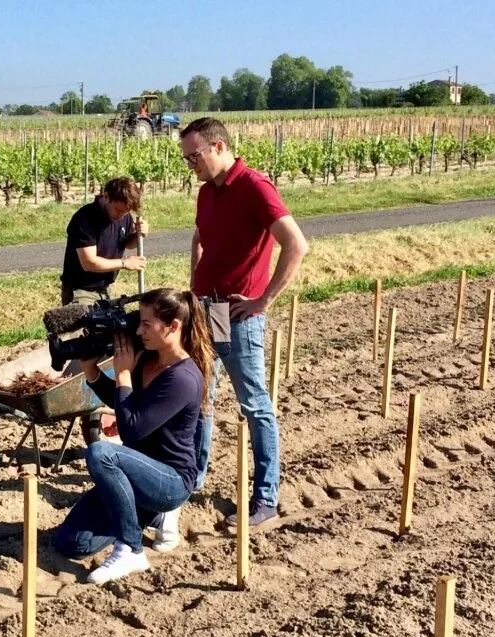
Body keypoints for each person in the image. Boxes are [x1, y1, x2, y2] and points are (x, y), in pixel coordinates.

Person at [180, 117, 308, 529]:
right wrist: (194, 286)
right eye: (185, 158)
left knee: (254, 404)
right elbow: (200, 238)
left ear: (218, 147)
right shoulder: (206, 193)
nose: (190, 164)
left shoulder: (255, 187)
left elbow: (296, 243)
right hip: (206, 311)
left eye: (194, 155)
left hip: (238, 316)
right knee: (201, 398)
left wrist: (263, 299)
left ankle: (266, 496)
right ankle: (193, 479)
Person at [54, 288, 213, 585]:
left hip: (170, 480)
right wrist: (91, 370)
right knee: (71, 544)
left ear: (173, 327)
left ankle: (130, 548)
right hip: (136, 473)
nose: (138, 331)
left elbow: (131, 428)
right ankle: (150, 517)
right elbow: (122, 404)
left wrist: (123, 374)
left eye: (146, 324)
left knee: (101, 453)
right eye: (138, 322)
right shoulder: (147, 358)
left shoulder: (182, 378)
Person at [60, 176, 148, 307]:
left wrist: (139, 234)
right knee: (87, 326)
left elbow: (127, 244)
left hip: (105, 289)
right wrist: (124, 263)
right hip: (81, 291)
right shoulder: (85, 219)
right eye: (118, 210)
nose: (121, 216)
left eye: (126, 212)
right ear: (106, 196)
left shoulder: (124, 216)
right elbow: (89, 263)